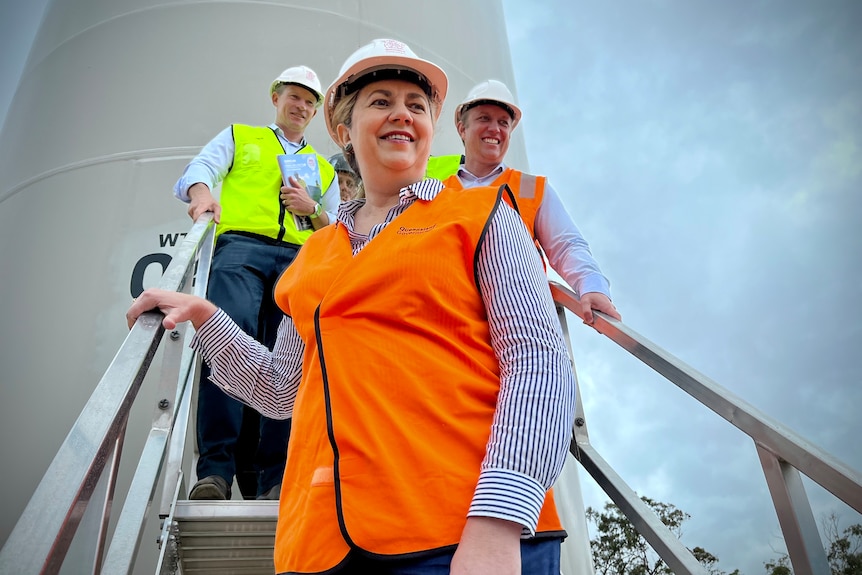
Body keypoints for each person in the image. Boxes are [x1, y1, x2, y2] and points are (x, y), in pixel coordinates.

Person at [130, 38, 575, 574]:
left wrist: (498, 521)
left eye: (416, 105)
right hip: (322, 545)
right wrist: (205, 317)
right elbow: (280, 389)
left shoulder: (482, 216)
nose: (402, 116)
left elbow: (539, 360)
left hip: (462, 534)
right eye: (381, 101)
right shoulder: (315, 252)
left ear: (432, 128)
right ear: (343, 131)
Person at [172, 64, 340, 501]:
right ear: (275, 97)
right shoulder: (241, 136)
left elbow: (338, 227)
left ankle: (274, 479)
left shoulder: (323, 168)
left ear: (315, 110)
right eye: (293, 96)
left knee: (291, 365)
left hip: (301, 261)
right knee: (227, 346)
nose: (300, 106)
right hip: (241, 250)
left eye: (309, 101)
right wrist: (203, 195)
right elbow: (201, 168)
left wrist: (312, 208)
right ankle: (215, 473)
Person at [426, 79, 621, 325]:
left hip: (515, 320)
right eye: (484, 119)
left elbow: (566, 245)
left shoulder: (531, 188)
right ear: (462, 129)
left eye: (503, 123)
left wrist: (592, 286)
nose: (495, 129)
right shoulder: (436, 190)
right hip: (446, 316)